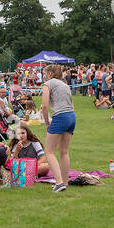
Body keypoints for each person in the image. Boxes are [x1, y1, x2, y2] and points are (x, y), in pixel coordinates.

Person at [40, 64, 75, 193]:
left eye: (44, 73)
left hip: (60, 116)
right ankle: (64, 182)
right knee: (64, 151)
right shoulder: (65, 84)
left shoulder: (48, 84)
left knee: (49, 152)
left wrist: (46, 122)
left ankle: (59, 183)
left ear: (49, 73)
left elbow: (44, 106)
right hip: (71, 116)